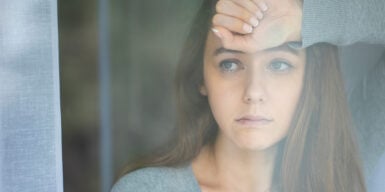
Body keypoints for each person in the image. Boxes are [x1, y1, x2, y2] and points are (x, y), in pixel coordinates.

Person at [111, 0, 367, 191]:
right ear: (201, 77)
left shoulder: (336, 175)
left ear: (311, 78)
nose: (253, 92)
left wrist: (306, 19)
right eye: (230, 64)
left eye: (278, 64)